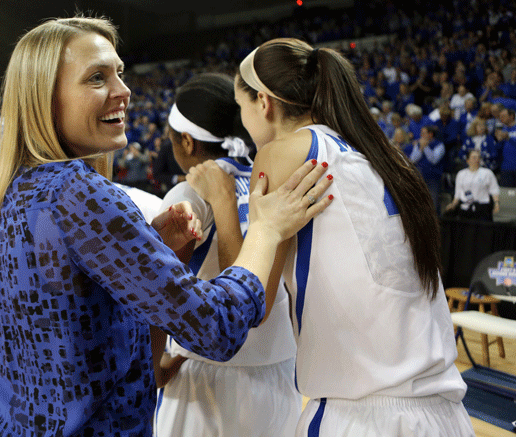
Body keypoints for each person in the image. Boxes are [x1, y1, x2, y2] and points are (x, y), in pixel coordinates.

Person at [0, 16, 333, 437]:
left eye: (120, 73)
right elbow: (215, 327)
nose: (123, 91)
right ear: (42, 98)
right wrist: (267, 230)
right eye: (96, 78)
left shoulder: (5, 192)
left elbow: (68, 332)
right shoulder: (80, 193)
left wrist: (151, 252)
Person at [196, 38, 473, 436]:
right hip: (444, 414)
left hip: (362, 416)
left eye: (243, 109)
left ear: (264, 103)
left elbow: (252, 304)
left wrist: (223, 201)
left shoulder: (282, 152)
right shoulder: (378, 155)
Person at [152, 72, 300, 437]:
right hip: (280, 370)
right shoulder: (269, 178)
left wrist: (153, 364)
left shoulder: (189, 192)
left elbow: (161, 294)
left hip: (207, 377)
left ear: (186, 142)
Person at [445, 149, 500, 221]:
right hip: (465, 208)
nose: (477, 159)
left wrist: (496, 203)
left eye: (478, 157)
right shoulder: (461, 174)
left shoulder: (487, 173)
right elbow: (458, 193)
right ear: (467, 160)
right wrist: (453, 204)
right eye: (474, 157)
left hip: (482, 208)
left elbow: (494, 190)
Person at [409, 124, 445, 215]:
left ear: (430, 134)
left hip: (433, 179)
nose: (421, 135)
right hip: (419, 178)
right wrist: (421, 148)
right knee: (418, 203)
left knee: (432, 203)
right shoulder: (419, 144)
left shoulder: (439, 145)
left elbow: (433, 160)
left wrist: (426, 147)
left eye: (423, 133)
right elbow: (413, 159)